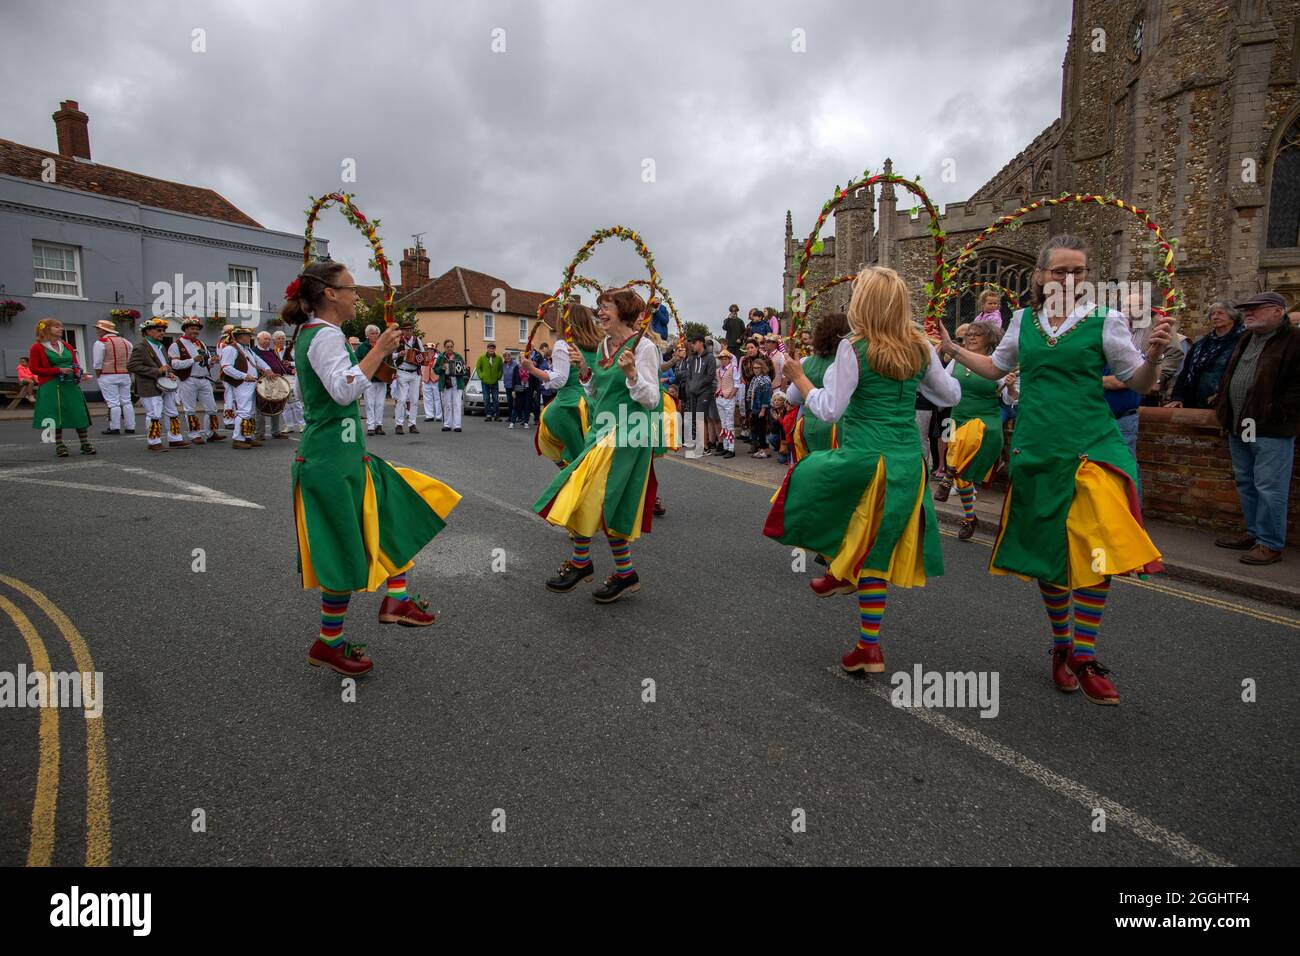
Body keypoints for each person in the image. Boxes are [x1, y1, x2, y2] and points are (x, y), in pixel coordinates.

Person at [939, 234, 1169, 705]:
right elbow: (996, 368)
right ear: (1040, 276)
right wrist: (951, 347)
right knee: (1049, 556)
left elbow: (1139, 383)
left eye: (1078, 271)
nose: (1069, 278)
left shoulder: (1108, 321)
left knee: (1095, 542)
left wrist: (1158, 356)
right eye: (1060, 270)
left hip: (1092, 447)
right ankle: (1062, 643)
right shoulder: (1022, 321)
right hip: (1036, 448)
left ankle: (1083, 656)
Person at [767, 267, 961, 674]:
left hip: (865, 459)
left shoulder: (853, 347)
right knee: (878, 542)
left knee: (806, 483)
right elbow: (950, 394)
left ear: (863, 303)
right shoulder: (919, 346)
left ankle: (845, 573)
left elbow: (828, 408)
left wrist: (800, 379)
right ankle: (864, 637)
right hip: (909, 463)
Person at [282, 261, 460, 677]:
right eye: (350, 288)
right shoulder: (323, 335)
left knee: (393, 504)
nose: (356, 294)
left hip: (341, 454)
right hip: (329, 458)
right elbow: (342, 389)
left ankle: (394, 597)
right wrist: (378, 350)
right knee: (341, 549)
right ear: (329, 293)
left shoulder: (318, 335)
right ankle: (330, 641)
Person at [534, 287, 665, 603]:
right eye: (599, 307)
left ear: (624, 311)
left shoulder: (644, 348)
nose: (599, 313)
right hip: (603, 430)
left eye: (606, 308)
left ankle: (581, 561)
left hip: (629, 433)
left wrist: (632, 373)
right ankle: (625, 572)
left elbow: (652, 399)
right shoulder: (606, 344)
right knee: (606, 502)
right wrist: (584, 372)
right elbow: (596, 393)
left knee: (587, 492)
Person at [1213, 291, 1299, 566]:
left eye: (1255, 309)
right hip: (1242, 423)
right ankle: (1253, 533)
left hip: (1270, 427)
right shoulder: (1246, 337)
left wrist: (1276, 411)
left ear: (1277, 311)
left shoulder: (1294, 340)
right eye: (1246, 309)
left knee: (1269, 485)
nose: (1248, 313)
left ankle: (1270, 543)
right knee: (1247, 481)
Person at [934, 323, 1018, 540]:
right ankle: (970, 518)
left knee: (966, 439)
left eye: (976, 335)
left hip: (984, 421)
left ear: (988, 339)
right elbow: (943, 386)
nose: (970, 338)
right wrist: (932, 360)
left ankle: (947, 477)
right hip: (957, 417)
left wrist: (1009, 386)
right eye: (968, 334)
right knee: (964, 476)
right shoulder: (956, 361)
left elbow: (1011, 400)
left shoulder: (996, 365)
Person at [529, 302, 602, 467]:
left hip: (571, 403)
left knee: (548, 420)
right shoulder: (599, 345)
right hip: (594, 402)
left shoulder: (564, 345)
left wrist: (532, 369)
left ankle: (571, 469)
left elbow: (560, 380)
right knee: (590, 445)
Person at [786, 312, 848, 464]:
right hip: (839, 430)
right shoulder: (848, 363)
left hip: (808, 428)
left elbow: (792, 397)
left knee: (808, 469)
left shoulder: (806, 362)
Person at [28, 317, 95, 456]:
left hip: (70, 384)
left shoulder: (67, 345)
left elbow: (75, 364)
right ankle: (60, 445)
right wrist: (58, 370)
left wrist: (81, 373)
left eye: (61, 326)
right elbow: (34, 369)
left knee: (78, 412)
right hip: (50, 385)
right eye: (57, 326)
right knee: (55, 415)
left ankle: (85, 443)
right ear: (47, 329)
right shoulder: (37, 347)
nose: (61, 329)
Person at [1168, 301, 1243, 410]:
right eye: (1213, 314)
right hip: (1195, 402)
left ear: (1233, 317)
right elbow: (1185, 372)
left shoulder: (1242, 341)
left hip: (1226, 404)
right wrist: (1177, 397)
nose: (1215, 317)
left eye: (1220, 313)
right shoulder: (1202, 344)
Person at [130, 317, 190, 451]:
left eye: (163, 330)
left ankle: (175, 438)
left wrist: (170, 372)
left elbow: (165, 364)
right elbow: (132, 366)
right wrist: (157, 371)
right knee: (154, 413)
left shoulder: (161, 346)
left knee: (172, 411)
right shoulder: (140, 347)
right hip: (149, 385)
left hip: (165, 384)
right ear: (147, 332)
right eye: (158, 330)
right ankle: (153, 441)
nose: (162, 333)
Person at [169, 317, 225, 444]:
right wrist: (193, 360)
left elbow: (205, 361)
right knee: (190, 409)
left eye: (196, 329)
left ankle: (211, 432)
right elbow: (175, 364)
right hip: (187, 379)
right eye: (191, 328)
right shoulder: (176, 344)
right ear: (185, 329)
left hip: (204, 378)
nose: (194, 331)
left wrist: (212, 361)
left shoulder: (201, 343)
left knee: (212, 408)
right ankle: (194, 434)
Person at [218, 326, 273, 450]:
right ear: (239, 337)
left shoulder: (247, 349)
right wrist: (243, 376)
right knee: (244, 411)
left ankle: (248, 436)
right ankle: (238, 439)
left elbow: (258, 361)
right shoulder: (230, 349)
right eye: (247, 335)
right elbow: (226, 367)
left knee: (251, 411)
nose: (250, 337)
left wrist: (268, 369)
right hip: (242, 383)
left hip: (251, 383)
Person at [92, 318, 136, 435]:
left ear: (103, 330)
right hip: (125, 375)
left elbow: (97, 363)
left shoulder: (101, 342)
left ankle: (114, 427)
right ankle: (130, 426)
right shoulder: (127, 342)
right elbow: (130, 360)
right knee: (126, 401)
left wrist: (98, 376)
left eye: (98, 329)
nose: (97, 331)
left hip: (108, 375)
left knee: (113, 402)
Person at [253, 330, 292, 440]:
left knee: (276, 405)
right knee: (260, 407)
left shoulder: (272, 351)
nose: (268, 341)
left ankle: (275, 431)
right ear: (258, 340)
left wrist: (290, 370)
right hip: (262, 382)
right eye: (265, 339)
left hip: (275, 381)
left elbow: (280, 365)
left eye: (269, 339)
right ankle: (259, 433)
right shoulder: (254, 351)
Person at [354, 325, 390, 437]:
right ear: (367, 335)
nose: (374, 335)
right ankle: (370, 426)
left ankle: (379, 425)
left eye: (376, 333)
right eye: (372, 333)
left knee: (379, 403)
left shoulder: (382, 346)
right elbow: (357, 360)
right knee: (370, 403)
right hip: (368, 379)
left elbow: (388, 360)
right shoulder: (362, 347)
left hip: (381, 378)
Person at [685, 333, 718, 454]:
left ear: (700, 343)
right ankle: (701, 445)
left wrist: (698, 385)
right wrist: (690, 387)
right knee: (697, 419)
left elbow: (710, 376)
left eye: (693, 343)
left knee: (701, 418)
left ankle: (705, 447)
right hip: (693, 392)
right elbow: (689, 375)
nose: (692, 346)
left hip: (705, 392)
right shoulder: (692, 358)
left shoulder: (710, 357)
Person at [391, 320, 425, 435]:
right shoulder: (398, 341)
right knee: (401, 399)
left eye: (410, 330)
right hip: (402, 371)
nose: (408, 332)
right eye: (406, 330)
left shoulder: (417, 341)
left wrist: (417, 356)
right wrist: (399, 354)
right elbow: (390, 356)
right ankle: (399, 424)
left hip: (414, 372)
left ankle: (412, 424)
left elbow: (423, 356)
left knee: (414, 400)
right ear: (402, 331)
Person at [273, 329, 304, 434]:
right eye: (278, 338)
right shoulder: (272, 352)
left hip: (291, 378)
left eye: (283, 338)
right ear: (274, 340)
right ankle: (289, 425)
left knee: (295, 402)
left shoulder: (290, 350)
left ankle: (301, 424)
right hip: (279, 379)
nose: (281, 340)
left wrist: (290, 364)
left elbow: (300, 361)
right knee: (284, 404)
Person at [434, 338, 468, 432]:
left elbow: (464, 368)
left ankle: (457, 425)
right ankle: (447, 424)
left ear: (453, 347)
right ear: (444, 347)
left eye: (451, 346)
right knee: (447, 404)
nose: (449, 348)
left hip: (457, 383)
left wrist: (462, 368)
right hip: (446, 383)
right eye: (447, 347)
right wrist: (442, 368)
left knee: (457, 404)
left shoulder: (458, 356)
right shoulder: (441, 357)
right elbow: (435, 369)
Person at [715, 348, 738, 458]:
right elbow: (719, 383)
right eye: (721, 359)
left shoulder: (733, 369)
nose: (723, 361)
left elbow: (737, 385)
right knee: (723, 423)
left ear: (729, 359)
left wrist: (730, 395)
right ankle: (725, 447)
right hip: (720, 397)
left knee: (729, 423)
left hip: (728, 398)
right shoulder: (718, 370)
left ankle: (731, 448)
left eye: (725, 359)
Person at [749, 355, 773, 458]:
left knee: (762, 430)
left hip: (761, 409)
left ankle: (765, 450)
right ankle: (761, 449)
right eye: (754, 368)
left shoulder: (765, 380)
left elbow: (766, 396)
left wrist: (763, 410)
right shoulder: (755, 378)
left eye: (758, 367)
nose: (756, 370)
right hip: (754, 408)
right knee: (757, 429)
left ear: (762, 368)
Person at [476, 342, 503, 421]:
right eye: (490, 348)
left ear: (495, 349)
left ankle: (496, 415)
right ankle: (488, 415)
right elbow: (478, 368)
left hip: (494, 382)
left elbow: (501, 369)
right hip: (485, 382)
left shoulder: (499, 358)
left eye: (493, 348)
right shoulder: (482, 357)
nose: (491, 349)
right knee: (486, 398)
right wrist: (481, 376)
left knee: (495, 399)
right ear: (487, 349)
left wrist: (499, 376)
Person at [421, 343, 443, 423]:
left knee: (438, 399)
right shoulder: (424, 358)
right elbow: (421, 368)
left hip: (436, 380)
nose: (429, 351)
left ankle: (438, 416)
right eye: (427, 349)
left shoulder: (438, 357)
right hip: (426, 380)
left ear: (434, 350)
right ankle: (429, 415)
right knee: (427, 399)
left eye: (430, 349)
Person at [502, 350, 524, 428]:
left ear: (511, 356)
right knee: (510, 402)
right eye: (505, 356)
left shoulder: (515, 364)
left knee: (517, 402)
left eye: (508, 355)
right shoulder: (503, 364)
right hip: (507, 385)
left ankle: (520, 417)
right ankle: (511, 417)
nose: (507, 357)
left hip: (515, 386)